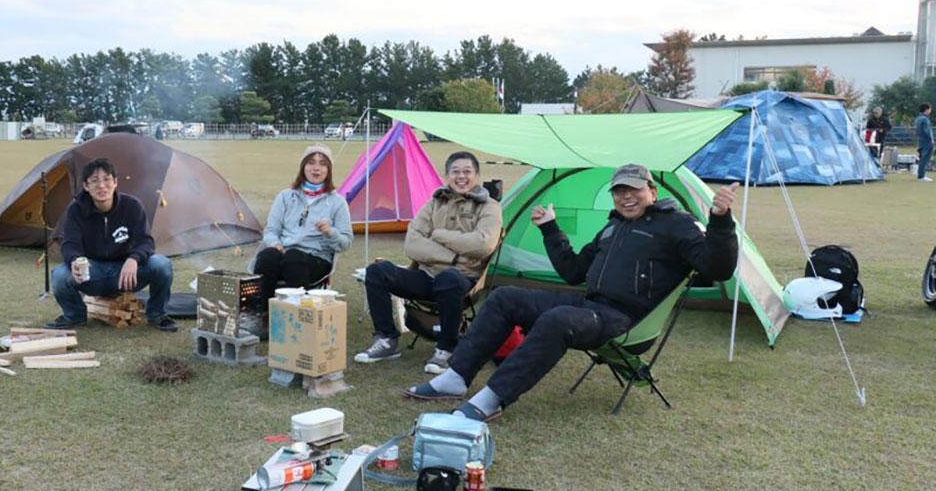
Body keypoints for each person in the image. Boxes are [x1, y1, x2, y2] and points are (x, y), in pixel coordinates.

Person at [404, 163, 739, 422]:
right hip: (591, 306)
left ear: (652, 191)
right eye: (619, 191)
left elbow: (717, 268)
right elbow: (574, 271)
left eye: (634, 189)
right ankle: (456, 376)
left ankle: (492, 399)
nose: (626, 197)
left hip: (626, 319)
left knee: (558, 319)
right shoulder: (613, 226)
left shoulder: (677, 223)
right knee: (505, 297)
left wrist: (721, 221)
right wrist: (550, 229)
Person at [354, 151, 503, 374]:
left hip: (463, 279)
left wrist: (439, 235)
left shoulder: (489, 206)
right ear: (447, 176)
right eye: (455, 172)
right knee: (377, 271)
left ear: (477, 176)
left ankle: (446, 350)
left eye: (467, 172)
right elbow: (412, 243)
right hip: (427, 276)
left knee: (449, 279)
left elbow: (483, 244)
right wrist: (453, 256)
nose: (461, 177)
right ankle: (386, 339)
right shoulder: (436, 202)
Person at [46, 157, 177, 331]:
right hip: (93, 273)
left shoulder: (132, 206)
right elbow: (70, 244)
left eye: (106, 179)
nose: (101, 186)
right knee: (60, 275)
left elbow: (145, 242)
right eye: (94, 181)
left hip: (126, 273)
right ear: (86, 186)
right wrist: (75, 260)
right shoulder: (76, 209)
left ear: (115, 182)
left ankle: (157, 315)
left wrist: (134, 259)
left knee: (161, 264)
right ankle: (74, 316)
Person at [253, 145, 353, 312]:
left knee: (294, 258)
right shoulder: (285, 197)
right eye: (311, 162)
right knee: (267, 256)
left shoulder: (337, 202)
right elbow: (271, 230)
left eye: (322, 163)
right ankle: (263, 314)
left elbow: (346, 242)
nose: (316, 168)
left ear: (328, 170)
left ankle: (299, 316)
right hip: (284, 253)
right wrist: (274, 243)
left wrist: (330, 232)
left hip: (317, 259)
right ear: (303, 167)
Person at [915, 104, 933, 181]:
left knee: (922, 158)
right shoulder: (925, 119)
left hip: (920, 141)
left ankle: (920, 175)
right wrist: (931, 139)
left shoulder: (918, 118)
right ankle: (921, 176)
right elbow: (927, 130)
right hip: (926, 141)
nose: (930, 111)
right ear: (926, 109)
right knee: (925, 159)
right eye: (930, 109)